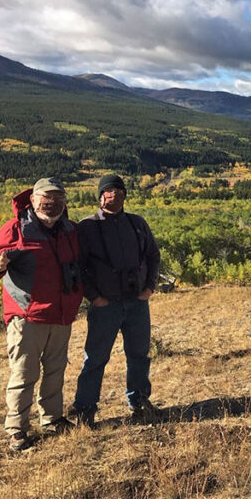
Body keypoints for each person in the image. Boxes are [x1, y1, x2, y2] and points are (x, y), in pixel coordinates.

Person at [0, 178, 83, 451]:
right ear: (33, 200)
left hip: (61, 315)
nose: (52, 204)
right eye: (46, 199)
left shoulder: (70, 230)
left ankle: (52, 419)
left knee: (56, 370)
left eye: (58, 199)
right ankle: (17, 429)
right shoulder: (15, 229)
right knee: (24, 373)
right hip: (27, 316)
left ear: (64, 203)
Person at [72, 175, 161, 427]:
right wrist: (94, 297)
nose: (114, 195)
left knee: (139, 355)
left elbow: (153, 255)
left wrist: (149, 288)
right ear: (100, 197)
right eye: (108, 191)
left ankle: (140, 402)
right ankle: (85, 410)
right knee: (96, 358)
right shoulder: (86, 227)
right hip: (105, 305)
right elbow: (79, 266)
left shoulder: (136, 223)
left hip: (136, 303)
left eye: (119, 190)